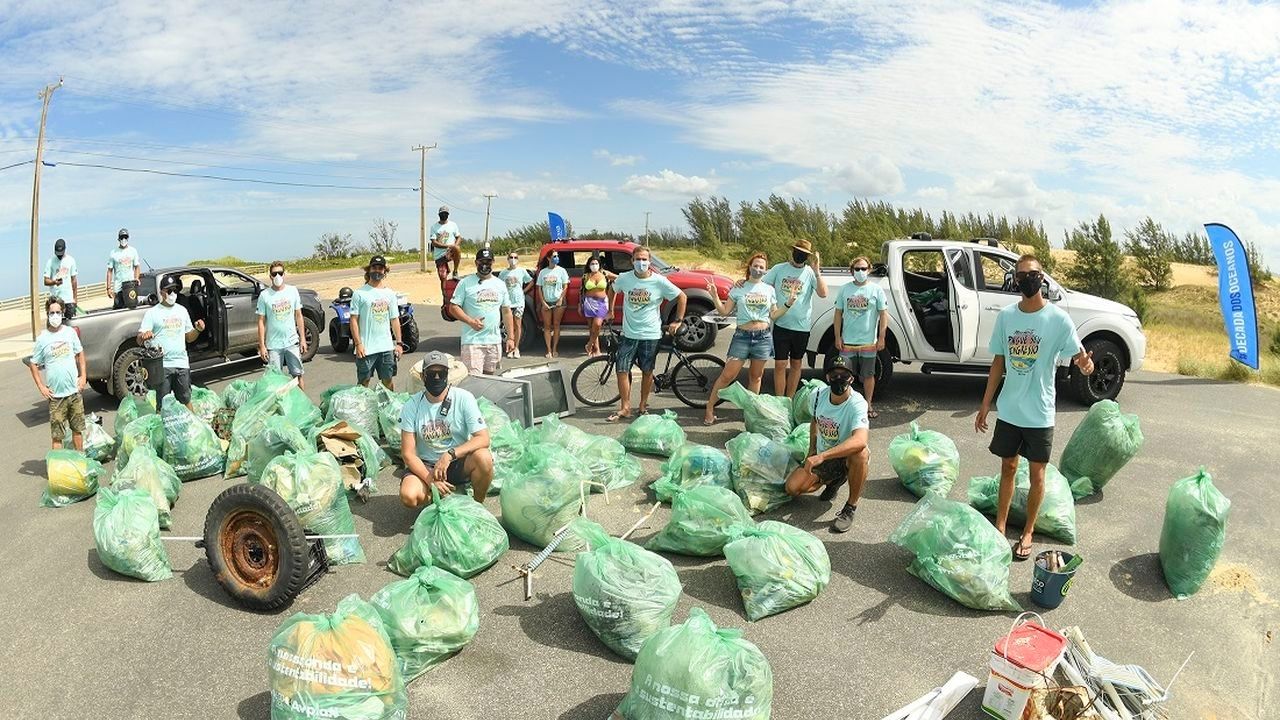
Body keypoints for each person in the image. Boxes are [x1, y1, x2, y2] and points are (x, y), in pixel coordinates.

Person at [975, 254, 1095, 562]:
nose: (1027, 279)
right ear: (1015, 280)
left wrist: (1086, 365)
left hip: (1040, 412)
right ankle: (1000, 527)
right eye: (1021, 275)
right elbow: (998, 362)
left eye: (1033, 274)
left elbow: (1081, 357)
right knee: (1007, 468)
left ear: (1041, 278)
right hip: (1010, 410)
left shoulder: (1057, 319)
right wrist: (985, 404)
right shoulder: (1006, 317)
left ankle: (1028, 531)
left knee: (1037, 475)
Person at [703, 253, 797, 425]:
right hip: (742, 337)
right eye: (755, 265)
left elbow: (774, 315)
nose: (758, 269)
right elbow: (724, 312)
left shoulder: (769, 289)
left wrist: (788, 303)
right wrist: (715, 296)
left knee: (756, 378)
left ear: (765, 270)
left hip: (763, 337)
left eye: (762, 267)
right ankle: (709, 408)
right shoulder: (739, 287)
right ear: (750, 267)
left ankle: (750, 414)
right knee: (727, 376)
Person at [784, 355, 871, 533]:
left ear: (852, 378)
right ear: (827, 378)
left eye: (844, 375)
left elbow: (860, 440)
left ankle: (850, 507)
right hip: (825, 454)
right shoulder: (816, 396)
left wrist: (821, 457)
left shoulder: (857, 403)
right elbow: (815, 420)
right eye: (834, 375)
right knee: (793, 487)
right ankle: (834, 480)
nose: (839, 379)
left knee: (860, 454)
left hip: (846, 455)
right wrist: (812, 451)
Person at [399, 350, 494, 507]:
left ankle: (477, 506)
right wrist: (430, 479)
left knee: (484, 457)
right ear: (423, 377)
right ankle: (440, 498)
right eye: (431, 373)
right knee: (409, 496)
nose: (437, 377)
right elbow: (408, 454)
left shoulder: (464, 398)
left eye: (441, 373)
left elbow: (483, 438)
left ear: (447, 375)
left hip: (456, 462)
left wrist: (449, 455)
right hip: (427, 465)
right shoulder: (411, 405)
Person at [608, 245, 686, 422]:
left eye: (644, 259)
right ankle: (625, 407)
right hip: (629, 333)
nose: (641, 262)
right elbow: (612, 289)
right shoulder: (624, 278)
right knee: (621, 369)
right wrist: (610, 310)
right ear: (632, 261)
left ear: (649, 262)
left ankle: (643, 406)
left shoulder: (659, 281)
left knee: (647, 371)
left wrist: (678, 320)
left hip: (650, 334)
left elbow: (682, 297)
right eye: (638, 259)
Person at [762, 237, 827, 398]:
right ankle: (780, 400)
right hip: (782, 325)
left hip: (802, 327)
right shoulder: (779, 269)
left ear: (808, 257)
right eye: (798, 252)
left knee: (796, 364)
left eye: (804, 254)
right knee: (780, 364)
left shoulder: (810, 273)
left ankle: (789, 399)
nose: (800, 256)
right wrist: (744, 282)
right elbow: (761, 285)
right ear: (792, 252)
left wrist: (817, 272)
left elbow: (823, 293)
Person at [137, 274, 206, 413]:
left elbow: (189, 337)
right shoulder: (152, 313)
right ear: (162, 292)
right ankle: (162, 431)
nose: (173, 294)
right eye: (169, 291)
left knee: (185, 399)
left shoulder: (182, 311)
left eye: (175, 290)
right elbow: (139, 339)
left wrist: (198, 330)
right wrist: (144, 336)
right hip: (163, 366)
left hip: (181, 363)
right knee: (163, 405)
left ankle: (192, 428)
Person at [833, 256, 889, 418]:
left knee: (868, 375)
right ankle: (845, 406)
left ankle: (868, 405)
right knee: (843, 375)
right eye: (857, 269)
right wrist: (837, 337)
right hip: (847, 343)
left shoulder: (876, 290)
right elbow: (837, 315)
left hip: (868, 343)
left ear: (869, 270)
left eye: (863, 269)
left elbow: (883, 314)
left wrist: (881, 337)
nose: (860, 272)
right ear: (851, 271)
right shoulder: (844, 289)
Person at [28, 297, 87, 450]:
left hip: (74, 392)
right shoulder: (43, 339)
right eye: (51, 312)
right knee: (57, 436)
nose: (55, 315)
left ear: (62, 313)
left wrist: (83, 377)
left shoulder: (70, 333)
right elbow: (33, 363)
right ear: (47, 314)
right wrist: (42, 387)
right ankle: (58, 468)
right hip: (56, 397)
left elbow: (80, 354)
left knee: (77, 431)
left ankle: (80, 461)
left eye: (57, 312)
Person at [450, 248, 515, 375]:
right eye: (481, 262)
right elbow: (453, 307)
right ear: (476, 263)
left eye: (488, 262)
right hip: (472, 342)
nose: (485, 265)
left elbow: (506, 311)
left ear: (493, 262)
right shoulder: (465, 283)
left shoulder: (500, 285)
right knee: (474, 381)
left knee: (489, 380)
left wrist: (511, 338)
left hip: (494, 341)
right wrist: (470, 321)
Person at [350, 255, 404, 390]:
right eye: (374, 267)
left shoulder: (390, 294)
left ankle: (389, 407)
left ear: (385, 271)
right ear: (369, 270)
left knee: (388, 381)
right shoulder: (359, 293)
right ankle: (362, 409)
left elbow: (394, 319)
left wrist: (398, 343)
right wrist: (358, 344)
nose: (377, 271)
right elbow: (353, 320)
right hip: (366, 349)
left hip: (386, 348)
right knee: (364, 382)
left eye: (380, 268)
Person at [256, 260, 308, 389]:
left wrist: (302, 339)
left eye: (280, 273)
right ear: (270, 276)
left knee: (298, 375)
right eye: (274, 274)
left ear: (284, 274)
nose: (277, 276)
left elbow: (299, 315)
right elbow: (261, 322)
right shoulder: (265, 295)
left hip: (291, 342)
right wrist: (262, 346)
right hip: (274, 345)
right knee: (275, 380)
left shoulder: (292, 291)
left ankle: (303, 406)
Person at [499, 250, 533, 358]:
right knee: (509, 326)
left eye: (515, 257)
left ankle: (516, 348)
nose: (513, 259)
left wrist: (524, 291)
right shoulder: (503, 273)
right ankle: (510, 348)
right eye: (511, 257)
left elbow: (531, 281)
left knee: (518, 325)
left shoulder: (522, 271)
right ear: (508, 259)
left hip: (519, 302)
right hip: (507, 303)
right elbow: (499, 285)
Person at [536, 250, 570, 358]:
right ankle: (548, 350)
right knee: (547, 326)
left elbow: (565, 286)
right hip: (546, 301)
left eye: (557, 256)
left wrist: (561, 299)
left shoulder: (562, 271)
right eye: (554, 256)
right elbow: (539, 288)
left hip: (558, 301)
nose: (556, 258)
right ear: (548, 258)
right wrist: (543, 302)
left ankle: (555, 348)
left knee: (556, 325)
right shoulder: (543, 272)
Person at [580, 255, 615, 357]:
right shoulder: (586, 276)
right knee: (592, 328)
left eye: (596, 263)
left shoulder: (605, 274)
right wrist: (580, 304)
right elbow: (581, 291)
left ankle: (589, 344)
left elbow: (619, 278)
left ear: (599, 265)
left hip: (602, 303)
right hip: (589, 303)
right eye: (592, 263)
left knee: (598, 324)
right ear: (588, 265)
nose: (594, 265)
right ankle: (596, 350)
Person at [430, 206, 463, 294]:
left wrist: (454, 246)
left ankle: (455, 271)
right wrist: (447, 246)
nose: (443, 215)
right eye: (442, 214)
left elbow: (459, 237)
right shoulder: (434, 227)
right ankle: (445, 297)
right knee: (443, 276)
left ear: (448, 215)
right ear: (439, 215)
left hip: (451, 251)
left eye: (445, 214)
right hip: (440, 255)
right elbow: (434, 242)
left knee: (457, 248)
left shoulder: (453, 225)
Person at [44, 239, 79, 319]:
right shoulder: (50, 262)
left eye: (61, 254)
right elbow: (46, 281)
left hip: (68, 300)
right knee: (55, 325)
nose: (59, 256)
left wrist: (75, 298)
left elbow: (74, 280)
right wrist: (54, 282)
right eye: (57, 254)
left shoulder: (71, 260)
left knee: (71, 323)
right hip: (55, 300)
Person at [107, 228, 141, 310]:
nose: (123, 239)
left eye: (125, 237)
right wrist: (108, 288)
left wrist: (136, 278)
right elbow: (110, 271)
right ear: (118, 239)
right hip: (118, 287)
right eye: (122, 238)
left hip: (130, 286)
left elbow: (137, 266)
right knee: (119, 309)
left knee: (131, 308)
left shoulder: (133, 251)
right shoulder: (113, 253)